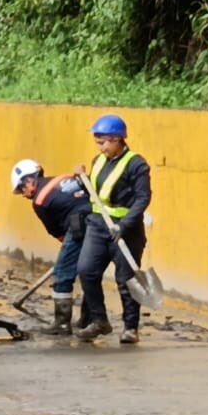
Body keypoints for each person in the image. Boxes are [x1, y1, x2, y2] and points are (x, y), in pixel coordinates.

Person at [76, 114, 152, 345]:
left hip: (126, 230)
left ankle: (130, 328)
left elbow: (142, 198)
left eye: (103, 142)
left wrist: (125, 224)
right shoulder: (98, 161)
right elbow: (96, 192)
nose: (100, 147)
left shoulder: (136, 164)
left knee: (126, 279)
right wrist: (82, 179)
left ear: (117, 139)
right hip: (98, 226)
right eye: (97, 142)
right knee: (86, 271)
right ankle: (99, 320)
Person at [10, 158, 91, 335]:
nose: (23, 194)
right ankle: (88, 320)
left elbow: (56, 232)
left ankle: (62, 323)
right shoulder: (65, 177)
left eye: (22, 188)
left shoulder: (40, 202)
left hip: (77, 226)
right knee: (90, 272)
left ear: (29, 180)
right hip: (98, 221)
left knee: (62, 274)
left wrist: (68, 253)